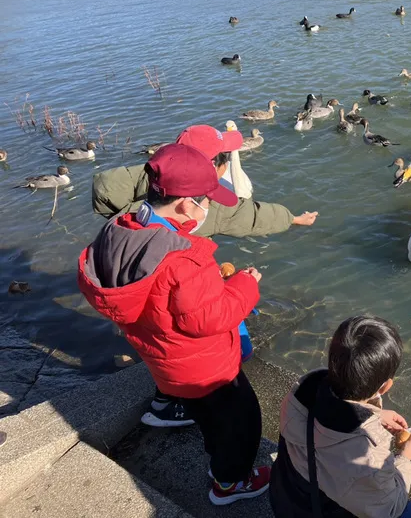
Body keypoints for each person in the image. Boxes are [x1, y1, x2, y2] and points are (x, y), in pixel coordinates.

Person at [78, 143, 270, 506]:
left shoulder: (117, 232)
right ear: (186, 205)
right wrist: (245, 285)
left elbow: (164, 303)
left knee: (211, 421)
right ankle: (229, 484)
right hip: (208, 370)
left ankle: (221, 464)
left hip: (169, 367)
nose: (209, 208)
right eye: (207, 200)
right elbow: (210, 318)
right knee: (242, 424)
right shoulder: (184, 261)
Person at [94, 124, 317, 427]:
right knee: (220, 387)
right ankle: (184, 409)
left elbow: (104, 188)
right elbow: (247, 217)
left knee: (160, 335)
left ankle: (167, 397)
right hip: (187, 350)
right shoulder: (191, 226)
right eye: (223, 160)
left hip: (142, 309)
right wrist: (245, 284)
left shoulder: (137, 210)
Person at [269, 315, 411, 518]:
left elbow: (331, 415)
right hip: (322, 511)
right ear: (386, 386)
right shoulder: (365, 456)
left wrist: (375, 413)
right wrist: (405, 458)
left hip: (286, 500)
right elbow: (388, 508)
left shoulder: (303, 389)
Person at [91, 124, 318, 238]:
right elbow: (253, 217)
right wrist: (294, 219)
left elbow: (105, 185)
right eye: (224, 159)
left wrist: (124, 216)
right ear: (213, 168)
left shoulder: (150, 172)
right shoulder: (210, 207)